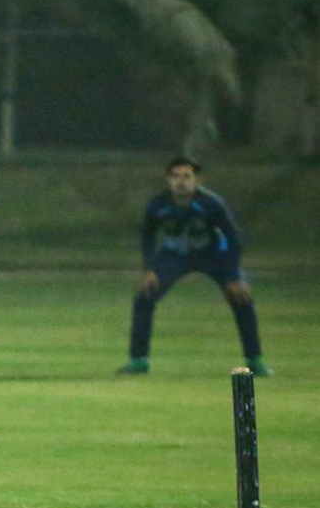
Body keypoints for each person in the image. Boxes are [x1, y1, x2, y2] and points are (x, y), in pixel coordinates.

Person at [117, 156, 273, 377]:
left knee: (241, 298)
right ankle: (139, 360)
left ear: (197, 180)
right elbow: (147, 236)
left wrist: (233, 275)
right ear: (168, 180)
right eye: (176, 176)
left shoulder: (211, 203)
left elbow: (233, 237)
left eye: (187, 176)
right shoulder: (158, 204)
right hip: (176, 254)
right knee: (144, 295)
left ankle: (255, 359)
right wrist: (149, 268)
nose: (181, 181)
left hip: (212, 254)